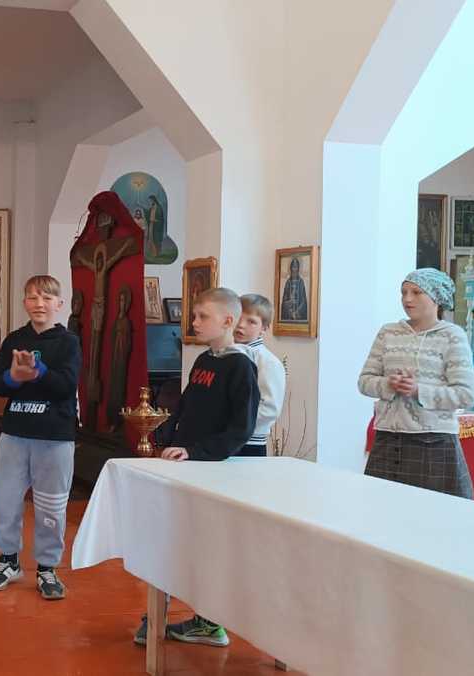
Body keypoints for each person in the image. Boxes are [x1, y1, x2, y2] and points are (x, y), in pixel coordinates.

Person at [134, 287, 260, 649]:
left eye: (202, 316)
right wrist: (167, 436)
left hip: (213, 471)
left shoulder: (241, 366)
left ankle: (209, 622)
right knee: (170, 542)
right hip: (185, 464)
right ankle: (158, 613)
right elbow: (187, 406)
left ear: (228, 320)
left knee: (206, 548)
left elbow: (240, 429)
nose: (194, 322)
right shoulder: (204, 360)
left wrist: (196, 451)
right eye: (194, 316)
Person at [0, 274, 81, 600]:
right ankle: (8, 560)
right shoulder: (14, 339)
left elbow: (67, 385)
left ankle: (47, 568)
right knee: (4, 501)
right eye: (33, 297)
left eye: (47, 298)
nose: (40, 304)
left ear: (59, 304)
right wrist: (14, 376)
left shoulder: (68, 342)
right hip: (15, 434)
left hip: (55, 437)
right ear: (25, 302)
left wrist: (38, 373)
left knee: (51, 506)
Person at [358, 268, 474, 498]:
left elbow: (466, 394)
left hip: (435, 443)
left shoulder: (452, 336)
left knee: (434, 515)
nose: (407, 299)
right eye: (403, 292)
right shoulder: (388, 333)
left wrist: (418, 391)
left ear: (436, 297)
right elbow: (364, 382)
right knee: (382, 511)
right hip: (387, 439)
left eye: (416, 292)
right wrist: (388, 384)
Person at [234, 294, 286, 456]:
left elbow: (270, 408)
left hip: (249, 442)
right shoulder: (224, 354)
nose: (241, 325)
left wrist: (233, 423)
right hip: (218, 439)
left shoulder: (267, 361)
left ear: (264, 328)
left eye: (251, 321)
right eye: (238, 318)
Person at [280, 257, 308, 322]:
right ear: (290, 268)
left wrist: (297, 312)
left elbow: (304, 301)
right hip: (289, 315)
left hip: (298, 315)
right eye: (293, 267)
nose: (294, 269)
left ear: (298, 268)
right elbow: (284, 302)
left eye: (296, 267)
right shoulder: (288, 282)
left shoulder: (301, 282)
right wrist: (289, 303)